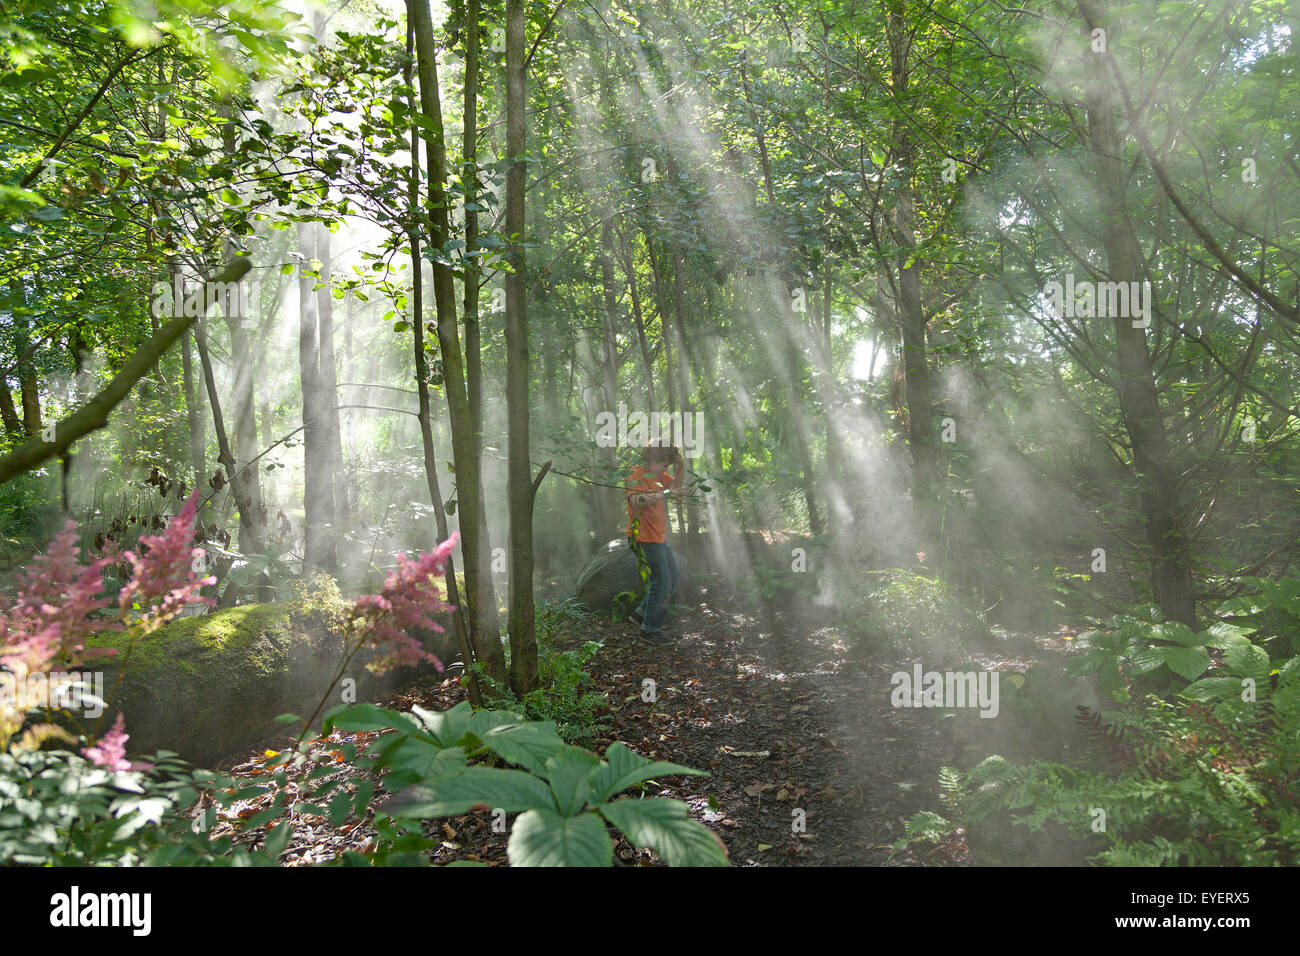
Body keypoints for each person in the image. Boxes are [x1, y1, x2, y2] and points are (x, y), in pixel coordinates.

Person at [625, 440, 687, 643]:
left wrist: (681, 466)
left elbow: (676, 490)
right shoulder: (635, 473)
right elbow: (636, 500)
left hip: (657, 537)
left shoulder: (657, 474)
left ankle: (641, 614)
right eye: (664, 465)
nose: (664, 469)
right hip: (643, 538)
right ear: (651, 459)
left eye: (667, 466)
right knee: (662, 583)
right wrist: (667, 493)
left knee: (673, 577)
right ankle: (650, 631)